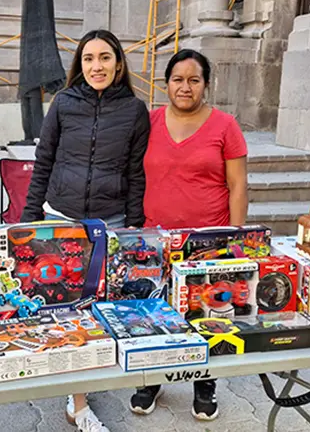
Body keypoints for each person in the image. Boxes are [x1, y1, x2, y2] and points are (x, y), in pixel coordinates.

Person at [20, 29, 150, 432]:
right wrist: (28, 219)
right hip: (61, 219)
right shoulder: (63, 103)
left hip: (109, 222)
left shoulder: (135, 110)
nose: (97, 66)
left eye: (105, 58)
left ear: (119, 64)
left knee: (99, 309)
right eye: (89, 58)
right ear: (80, 64)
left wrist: (134, 226)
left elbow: (135, 172)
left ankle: (86, 379)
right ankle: (78, 404)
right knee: (67, 306)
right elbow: (43, 161)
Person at [129, 49, 248, 421]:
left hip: (209, 241)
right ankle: (150, 379)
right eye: (178, 80)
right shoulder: (148, 122)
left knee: (205, 311)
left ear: (206, 85)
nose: (185, 87)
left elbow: (238, 186)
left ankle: (204, 383)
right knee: (154, 311)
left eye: (194, 80)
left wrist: (237, 242)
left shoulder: (225, 125)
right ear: (166, 84)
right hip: (156, 240)